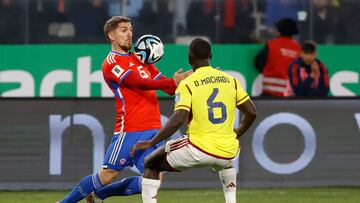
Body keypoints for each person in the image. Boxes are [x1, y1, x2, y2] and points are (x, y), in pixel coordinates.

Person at [57, 16, 191, 203]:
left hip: (152, 128)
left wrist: (185, 79)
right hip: (130, 129)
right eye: (123, 30)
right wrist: (170, 82)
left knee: (153, 179)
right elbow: (137, 82)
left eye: (130, 29)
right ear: (111, 35)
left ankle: (98, 196)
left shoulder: (141, 59)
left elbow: (166, 86)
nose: (129, 34)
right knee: (107, 175)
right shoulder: (111, 62)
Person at [131, 38, 257, 203]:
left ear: (189, 57)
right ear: (210, 55)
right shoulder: (230, 79)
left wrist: (151, 142)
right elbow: (252, 112)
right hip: (228, 150)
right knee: (225, 162)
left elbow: (179, 119)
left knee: (151, 162)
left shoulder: (188, 83)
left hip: (198, 149)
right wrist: (238, 132)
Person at [254, 18, 301, 97]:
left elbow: (258, 62)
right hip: (289, 95)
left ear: (279, 30)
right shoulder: (298, 48)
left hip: (269, 93)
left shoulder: (271, 45)